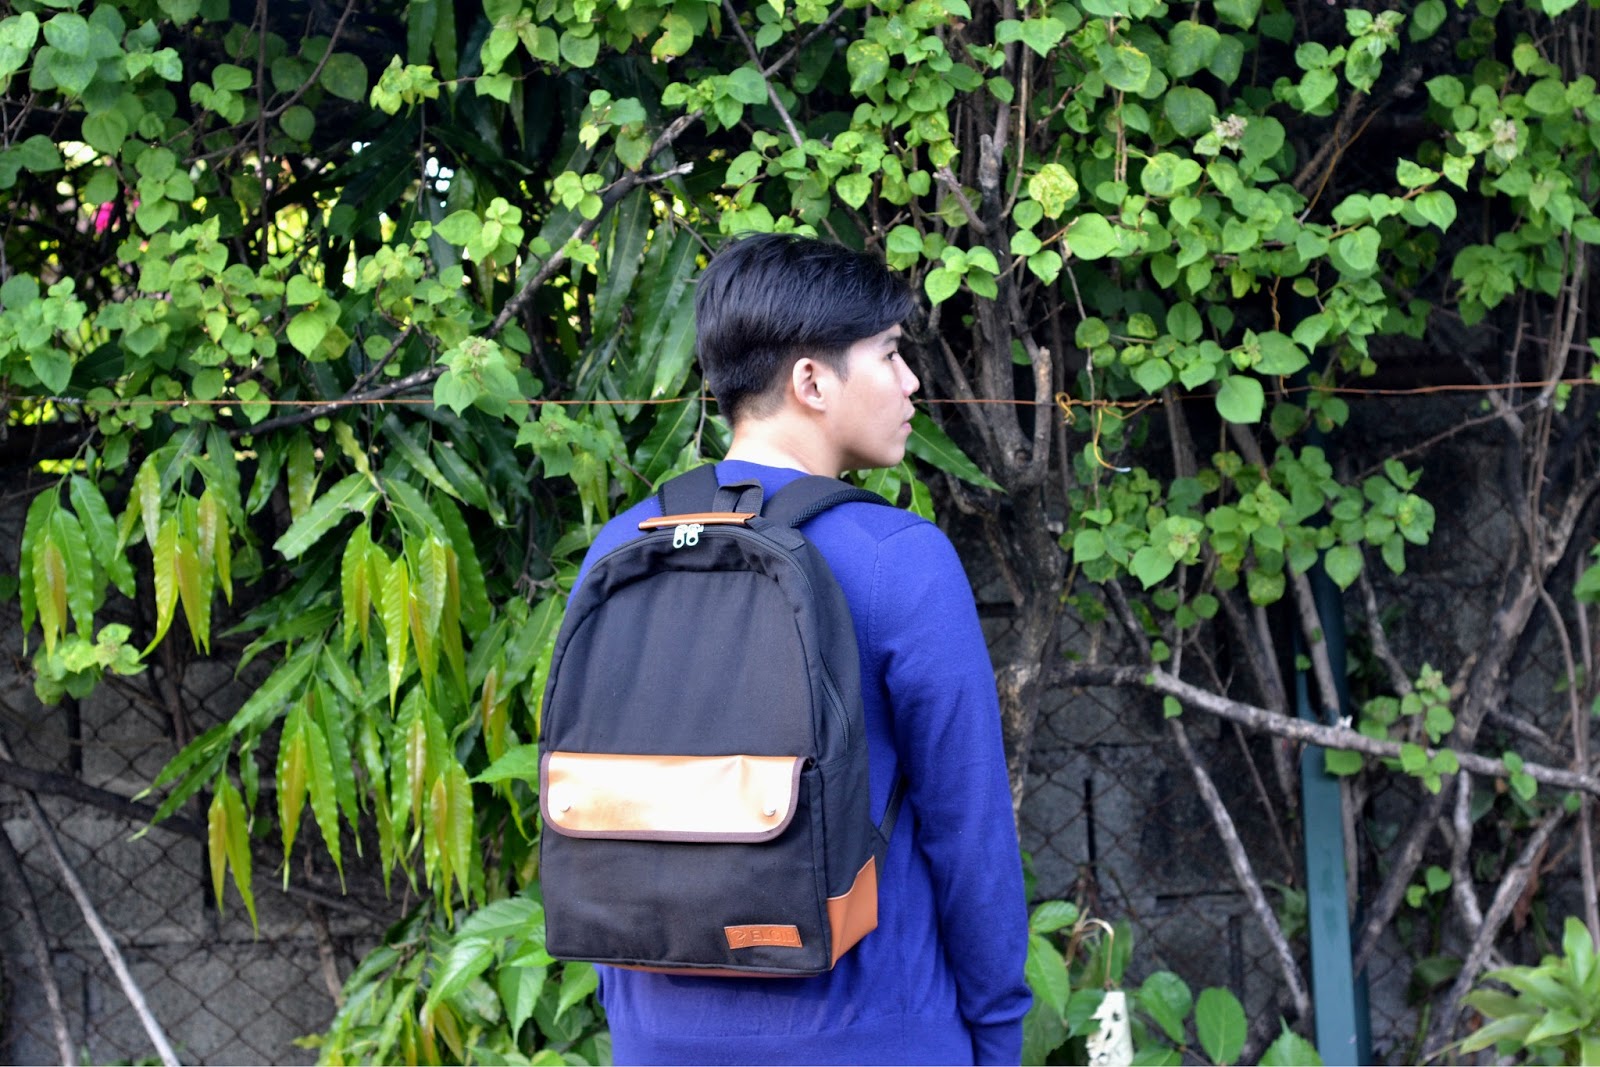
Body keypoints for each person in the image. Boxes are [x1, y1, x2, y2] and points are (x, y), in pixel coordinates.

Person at [569, 232, 1031, 1065]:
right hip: (874, 1035)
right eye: (890, 353)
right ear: (812, 381)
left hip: (654, 1035)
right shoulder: (901, 559)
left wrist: (631, 1009)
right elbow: (972, 837)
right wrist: (996, 1033)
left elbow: (603, 796)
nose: (910, 382)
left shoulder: (620, 547)